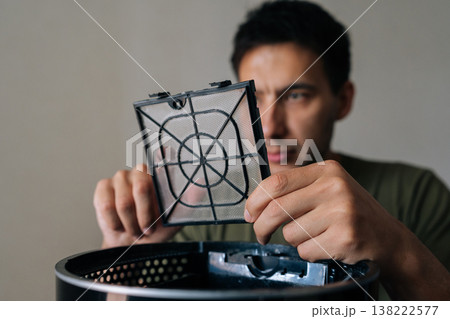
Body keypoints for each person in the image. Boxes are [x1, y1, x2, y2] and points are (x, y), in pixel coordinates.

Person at [93, 0, 450, 300]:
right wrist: (127, 257)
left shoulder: (416, 193)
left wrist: (397, 249)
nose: (270, 126)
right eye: (253, 98)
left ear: (342, 100)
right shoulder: (200, 202)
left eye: (296, 95)